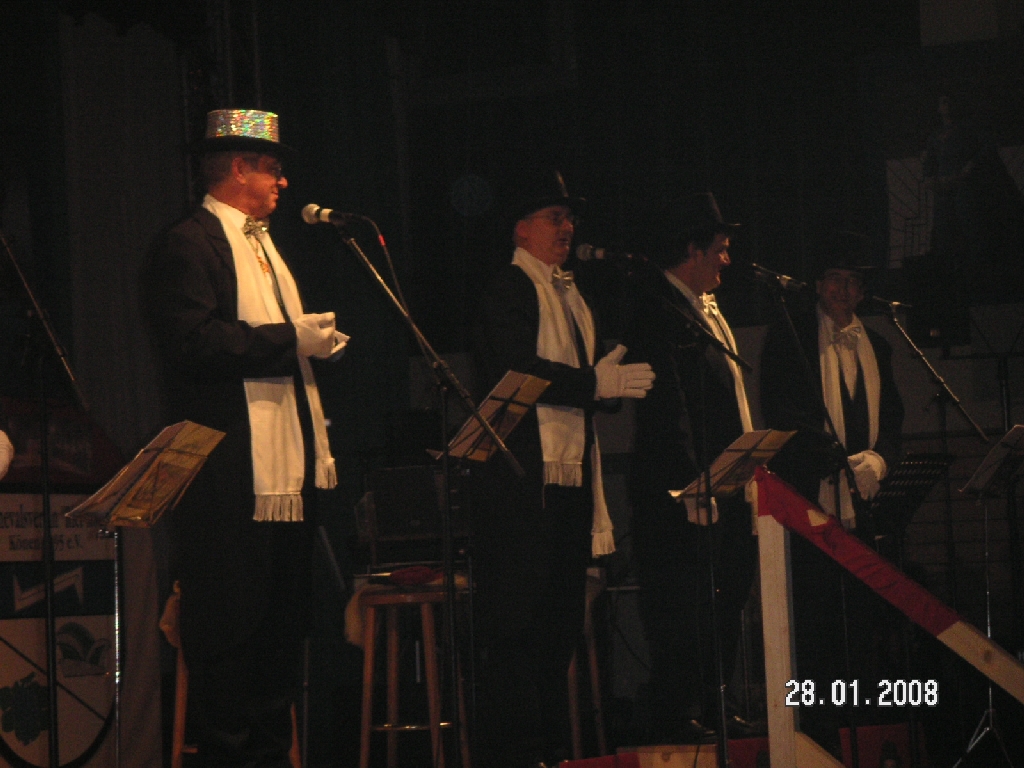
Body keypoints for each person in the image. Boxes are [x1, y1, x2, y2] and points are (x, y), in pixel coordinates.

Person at [146, 109, 346, 768]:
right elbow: (195, 342)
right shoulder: (189, 243)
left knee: (280, 635)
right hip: (231, 474)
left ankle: (271, 755)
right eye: (273, 169)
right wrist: (292, 339)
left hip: (285, 472)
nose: (283, 182)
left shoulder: (264, 246)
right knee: (231, 634)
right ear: (239, 168)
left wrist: (310, 341)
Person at [471, 169, 654, 768]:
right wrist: (593, 382)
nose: (567, 227)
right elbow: (518, 372)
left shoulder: (573, 296)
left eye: (570, 218)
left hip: (569, 479)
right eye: (555, 217)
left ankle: (550, 749)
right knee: (517, 629)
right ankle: (515, 754)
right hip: (522, 486)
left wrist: (608, 381)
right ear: (521, 229)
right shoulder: (508, 289)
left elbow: (584, 382)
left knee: (557, 628)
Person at [759, 235, 904, 751]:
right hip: (811, 497)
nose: (844, 290)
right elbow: (781, 414)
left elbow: (893, 420)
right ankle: (817, 726)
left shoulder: (878, 345)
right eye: (835, 280)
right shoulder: (791, 337)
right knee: (815, 616)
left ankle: (861, 717)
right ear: (818, 286)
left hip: (867, 503)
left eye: (853, 282)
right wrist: (834, 461)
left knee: (863, 614)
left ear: (862, 292)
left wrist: (878, 461)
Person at [623, 192, 757, 744]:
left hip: (724, 482)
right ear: (692, 250)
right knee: (683, 603)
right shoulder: (659, 309)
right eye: (719, 249)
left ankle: (716, 700)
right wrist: (692, 484)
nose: (726, 260)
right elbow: (668, 409)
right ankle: (677, 712)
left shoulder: (703, 308)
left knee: (726, 596)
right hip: (683, 488)